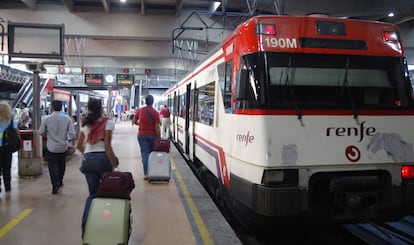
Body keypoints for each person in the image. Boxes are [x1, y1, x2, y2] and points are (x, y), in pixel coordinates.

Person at [76, 98, 118, 227]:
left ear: (88, 109)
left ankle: (86, 224)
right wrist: (114, 163)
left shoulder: (85, 124)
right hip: (103, 160)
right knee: (108, 192)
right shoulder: (108, 123)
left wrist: (87, 155)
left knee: (93, 193)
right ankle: (107, 223)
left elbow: (78, 145)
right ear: (101, 109)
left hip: (88, 160)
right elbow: (107, 146)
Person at [39, 100, 77, 194]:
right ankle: (59, 181)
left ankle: (55, 184)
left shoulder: (46, 119)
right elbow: (72, 134)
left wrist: (48, 135)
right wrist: (71, 144)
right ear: (62, 107)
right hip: (63, 146)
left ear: (52, 107)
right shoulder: (67, 119)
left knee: (52, 167)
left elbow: (41, 132)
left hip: (51, 147)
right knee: (61, 166)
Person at [133, 95, 160, 180]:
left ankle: (146, 174)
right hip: (152, 136)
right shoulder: (155, 112)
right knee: (153, 154)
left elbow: (134, 121)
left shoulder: (140, 110)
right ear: (152, 102)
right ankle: (153, 172)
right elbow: (157, 127)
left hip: (142, 135)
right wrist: (159, 138)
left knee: (145, 154)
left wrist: (139, 124)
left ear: (145, 101)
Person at [0, 102, 17, 193]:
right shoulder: (10, 120)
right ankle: (7, 187)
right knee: (7, 168)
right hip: (7, 147)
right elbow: (15, 130)